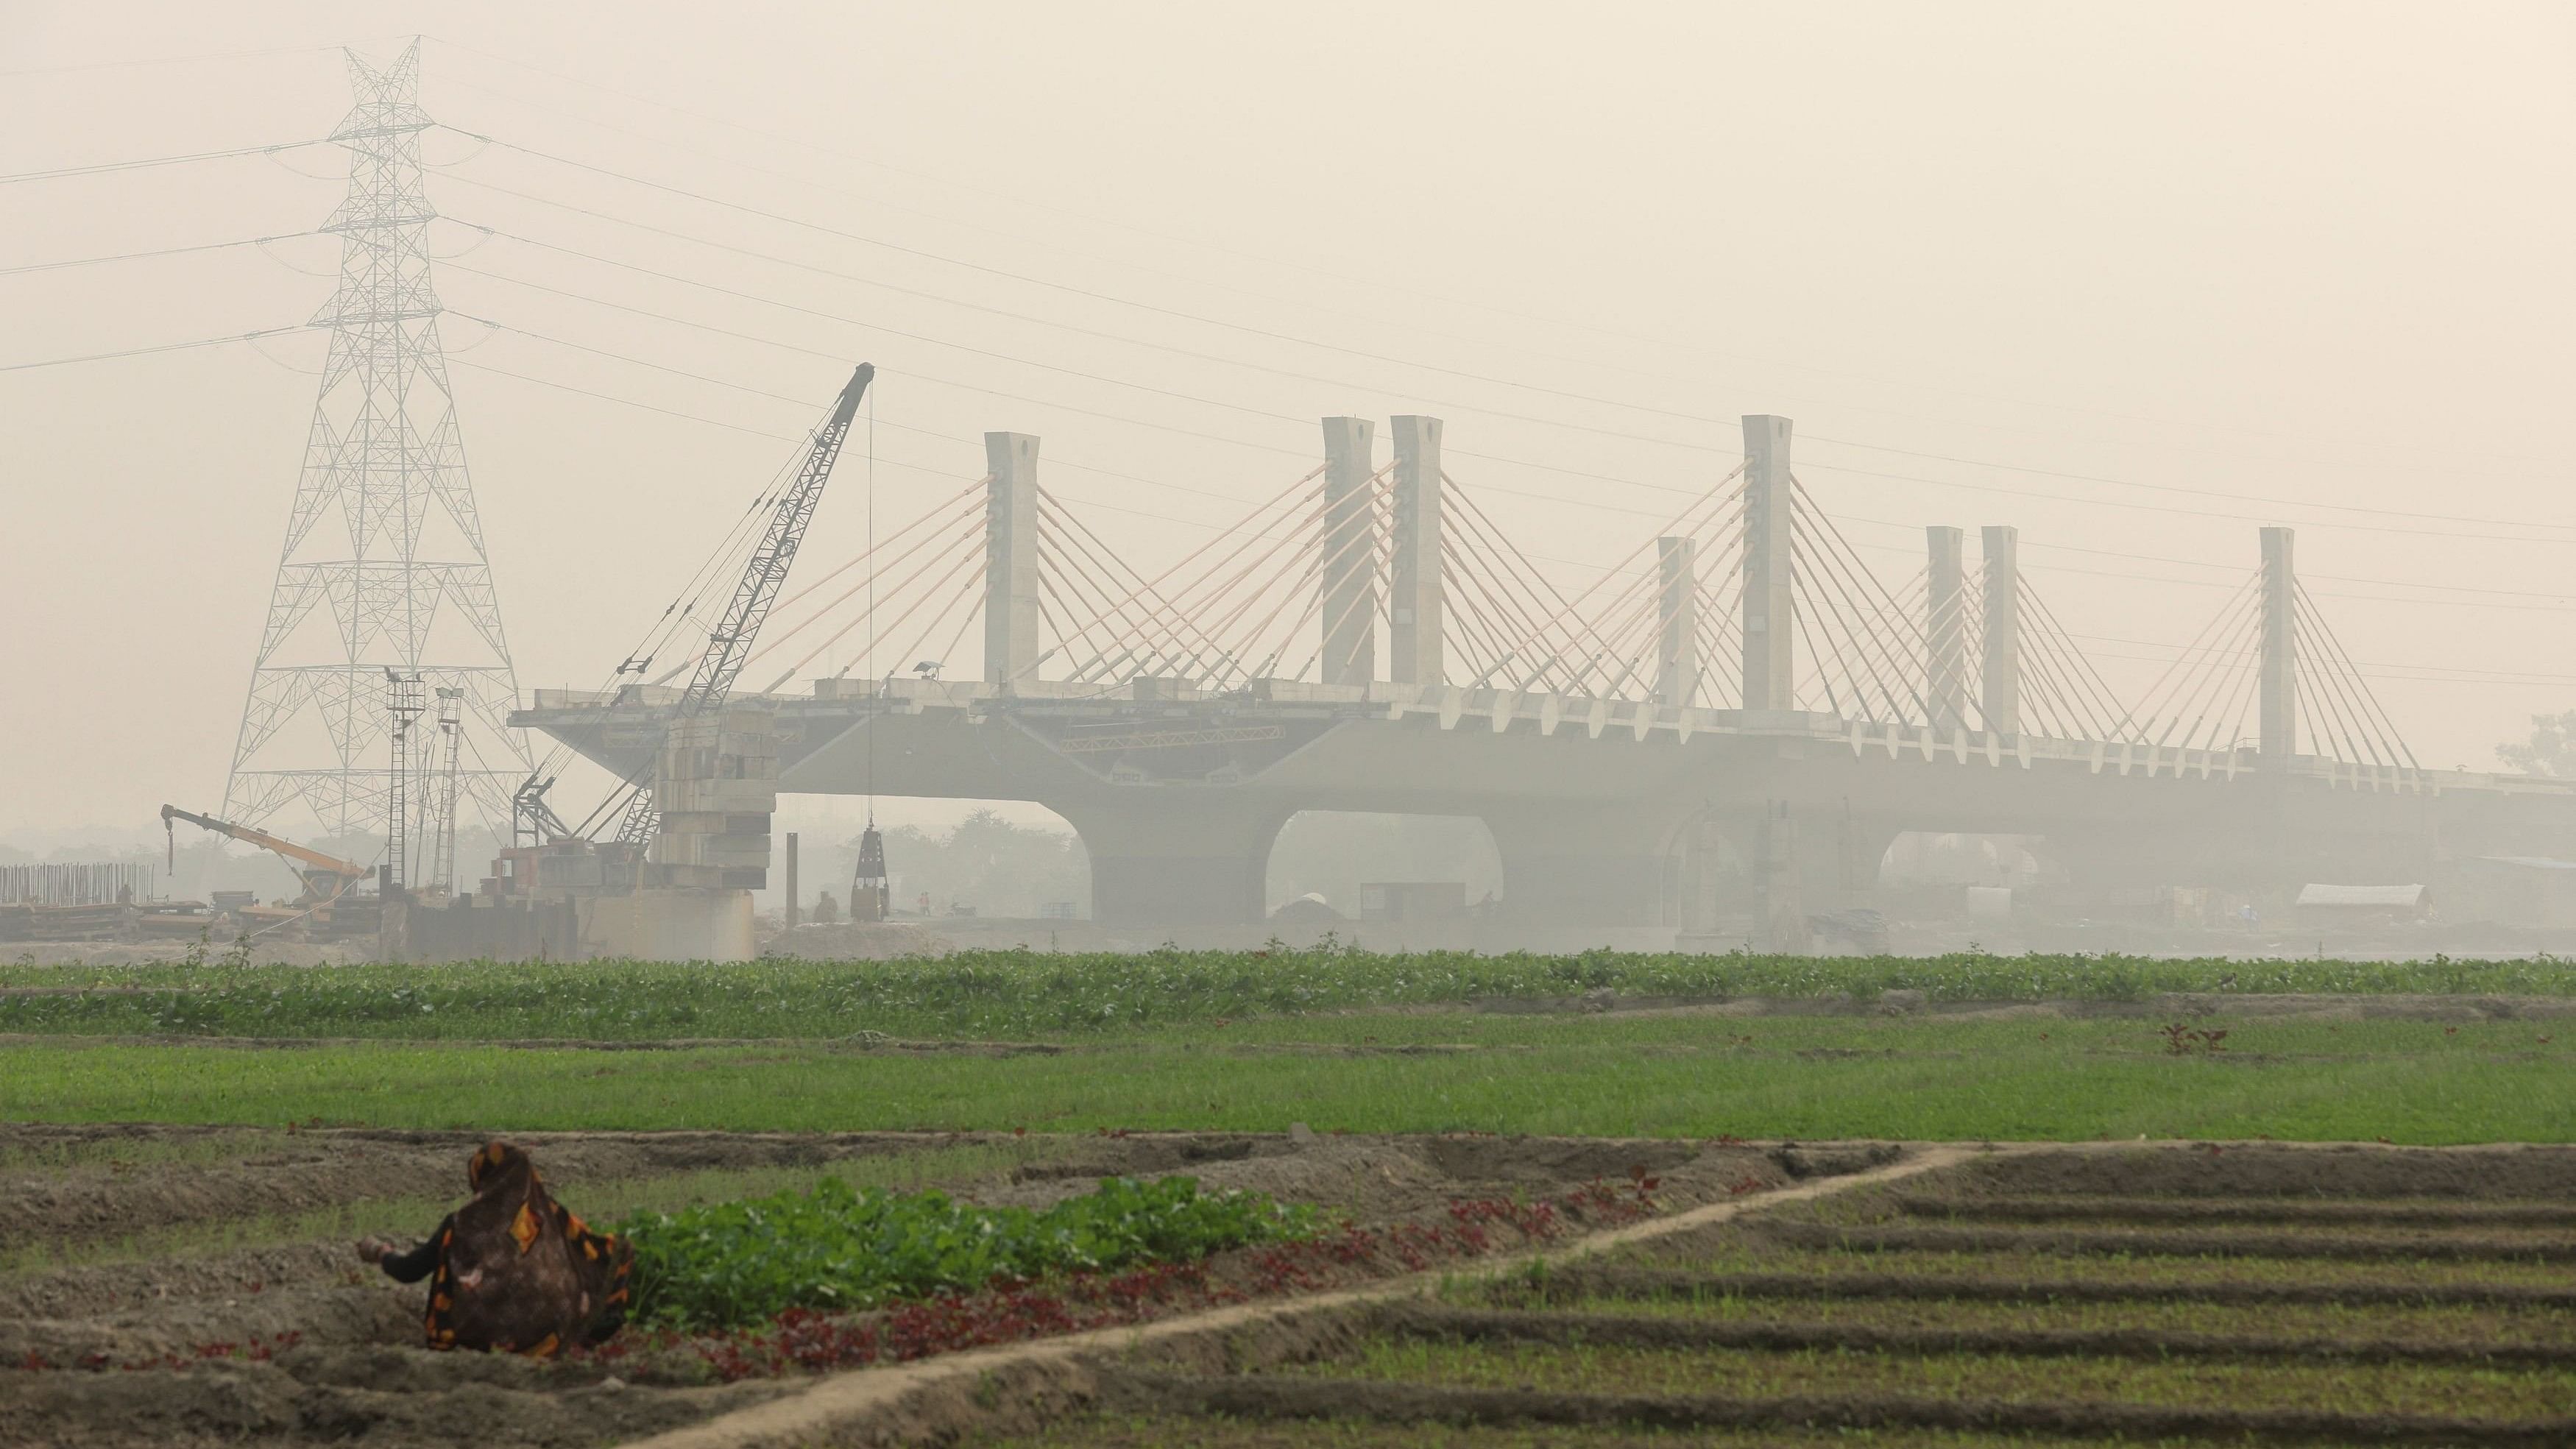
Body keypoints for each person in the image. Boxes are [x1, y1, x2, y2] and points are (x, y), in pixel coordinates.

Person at [357, 1140, 634, 1357]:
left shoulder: (462, 1225)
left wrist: (379, 1251)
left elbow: (410, 1271)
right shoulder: (548, 1215)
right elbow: (605, 1250)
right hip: (552, 1331)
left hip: (486, 1337)